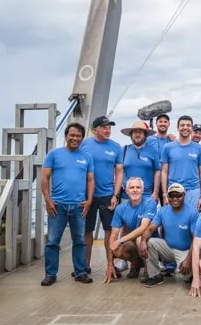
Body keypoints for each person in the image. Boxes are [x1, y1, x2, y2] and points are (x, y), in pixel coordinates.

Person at [40, 122, 94, 286]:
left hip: (79, 206)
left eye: (78, 136)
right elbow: (44, 178)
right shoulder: (54, 154)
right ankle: (50, 274)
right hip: (58, 206)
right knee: (52, 241)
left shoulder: (86, 157)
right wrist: (48, 200)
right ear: (66, 136)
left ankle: (80, 272)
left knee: (79, 241)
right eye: (72, 135)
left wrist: (89, 200)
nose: (75, 138)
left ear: (82, 138)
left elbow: (90, 180)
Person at [80, 116, 123, 278]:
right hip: (87, 196)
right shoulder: (85, 144)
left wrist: (116, 194)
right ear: (95, 129)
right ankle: (84, 266)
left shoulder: (116, 147)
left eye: (109, 127)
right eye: (104, 127)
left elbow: (119, 172)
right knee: (87, 231)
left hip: (107, 195)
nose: (108, 130)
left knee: (110, 231)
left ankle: (110, 265)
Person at [139, 183, 198, 287]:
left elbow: (196, 240)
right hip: (168, 248)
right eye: (171, 195)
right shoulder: (162, 211)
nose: (175, 198)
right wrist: (143, 241)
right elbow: (150, 229)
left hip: (185, 251)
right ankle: (155, 275)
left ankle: (190, 273)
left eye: (178, 195)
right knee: (150, 242)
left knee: (188, 276)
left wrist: (188, 260)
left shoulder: (192, 212)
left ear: (184, 196)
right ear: (168, 197)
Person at [106, 177, 156, 283]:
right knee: (117, 249)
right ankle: (136, 264)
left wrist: (120, 240)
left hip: (150, 242)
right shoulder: (120, 208)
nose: (135, 190)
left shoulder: (150, 203)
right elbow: (113, 235)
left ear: (142, 190)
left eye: (138, 187)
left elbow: (143, 228)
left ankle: (148, 270)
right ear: (127, 191)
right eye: (132, 187)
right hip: (133, 242)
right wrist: (110, 264)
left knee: (139, 239)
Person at [161, 115, 201, 210]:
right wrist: (165, 194)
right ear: (178, 128)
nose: (185, 127)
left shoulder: (199, 148)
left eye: (188, 125)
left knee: (192, 221)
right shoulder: (168, 147)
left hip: (193, 191)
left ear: (191, 128)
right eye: (182, 125)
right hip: (173, 190)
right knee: (174, 220)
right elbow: (164, 172)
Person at [120, 121, 160, 201]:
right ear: (131, 135)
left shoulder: (152, 151)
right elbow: (118, 171)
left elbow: (157, 172)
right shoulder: (124, 150)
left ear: (145, 135)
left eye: (140, 132)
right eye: (135, 132)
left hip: (147, 196)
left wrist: (155, 192)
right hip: (126, 197)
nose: (137, 135)